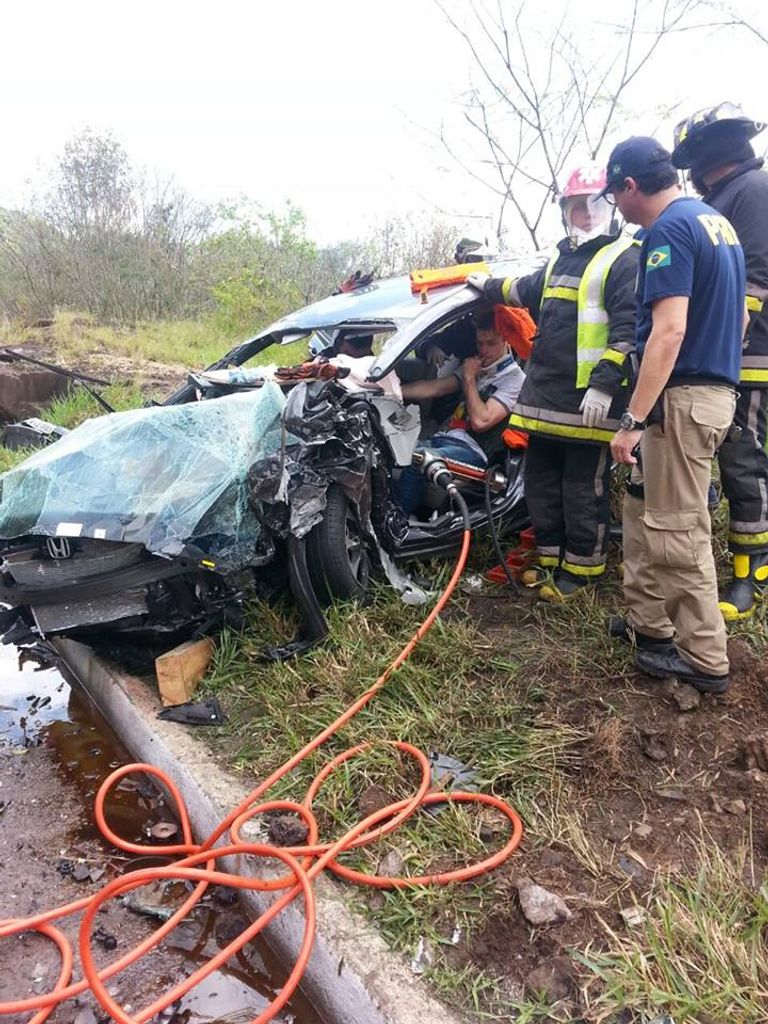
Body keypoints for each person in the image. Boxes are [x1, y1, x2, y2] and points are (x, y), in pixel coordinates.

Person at [604, 136, 746, 694]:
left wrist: (633, 420)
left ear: (630, 186)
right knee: (643, 513)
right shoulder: (715, 223)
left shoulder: (668, 230)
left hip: (678, 401)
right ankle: (651, 626)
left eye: (616, 194)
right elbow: (735, 320)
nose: (616, 205)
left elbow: (670, 329)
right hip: (701, 394)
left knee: (677, 528)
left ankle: (704, 658)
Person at [467, 164, 639, 600]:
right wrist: (486, 285)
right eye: (574, 205)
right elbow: (523, 290)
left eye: (590, 203)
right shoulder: (562, 256)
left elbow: (628, 331)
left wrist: (604, 384)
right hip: (544, 400)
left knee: (582, 489)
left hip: (588, 403)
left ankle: (581, 572)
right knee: (542, 485)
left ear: (609, 204)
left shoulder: (624, 257)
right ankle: (548, 561)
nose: (582, 213)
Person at [671, 103, 768, 621]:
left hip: (748, 358)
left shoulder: (751, 192)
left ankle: (751, 573)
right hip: (725, 359)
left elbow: (753, 282)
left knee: (744, 464)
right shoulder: (723, 197)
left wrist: (722, 347)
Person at [396, 307, 525, 515]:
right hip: (445, 438)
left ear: (507, 342)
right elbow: (435, 388)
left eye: (491, 343)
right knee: (395, 452)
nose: (484, 350)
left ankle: (397, 523)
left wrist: (469, 379)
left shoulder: (514, 380)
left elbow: (481, 421)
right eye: (480, 343)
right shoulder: (476, 367)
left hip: (474, 452)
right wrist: (392, 391)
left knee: (421, 457)